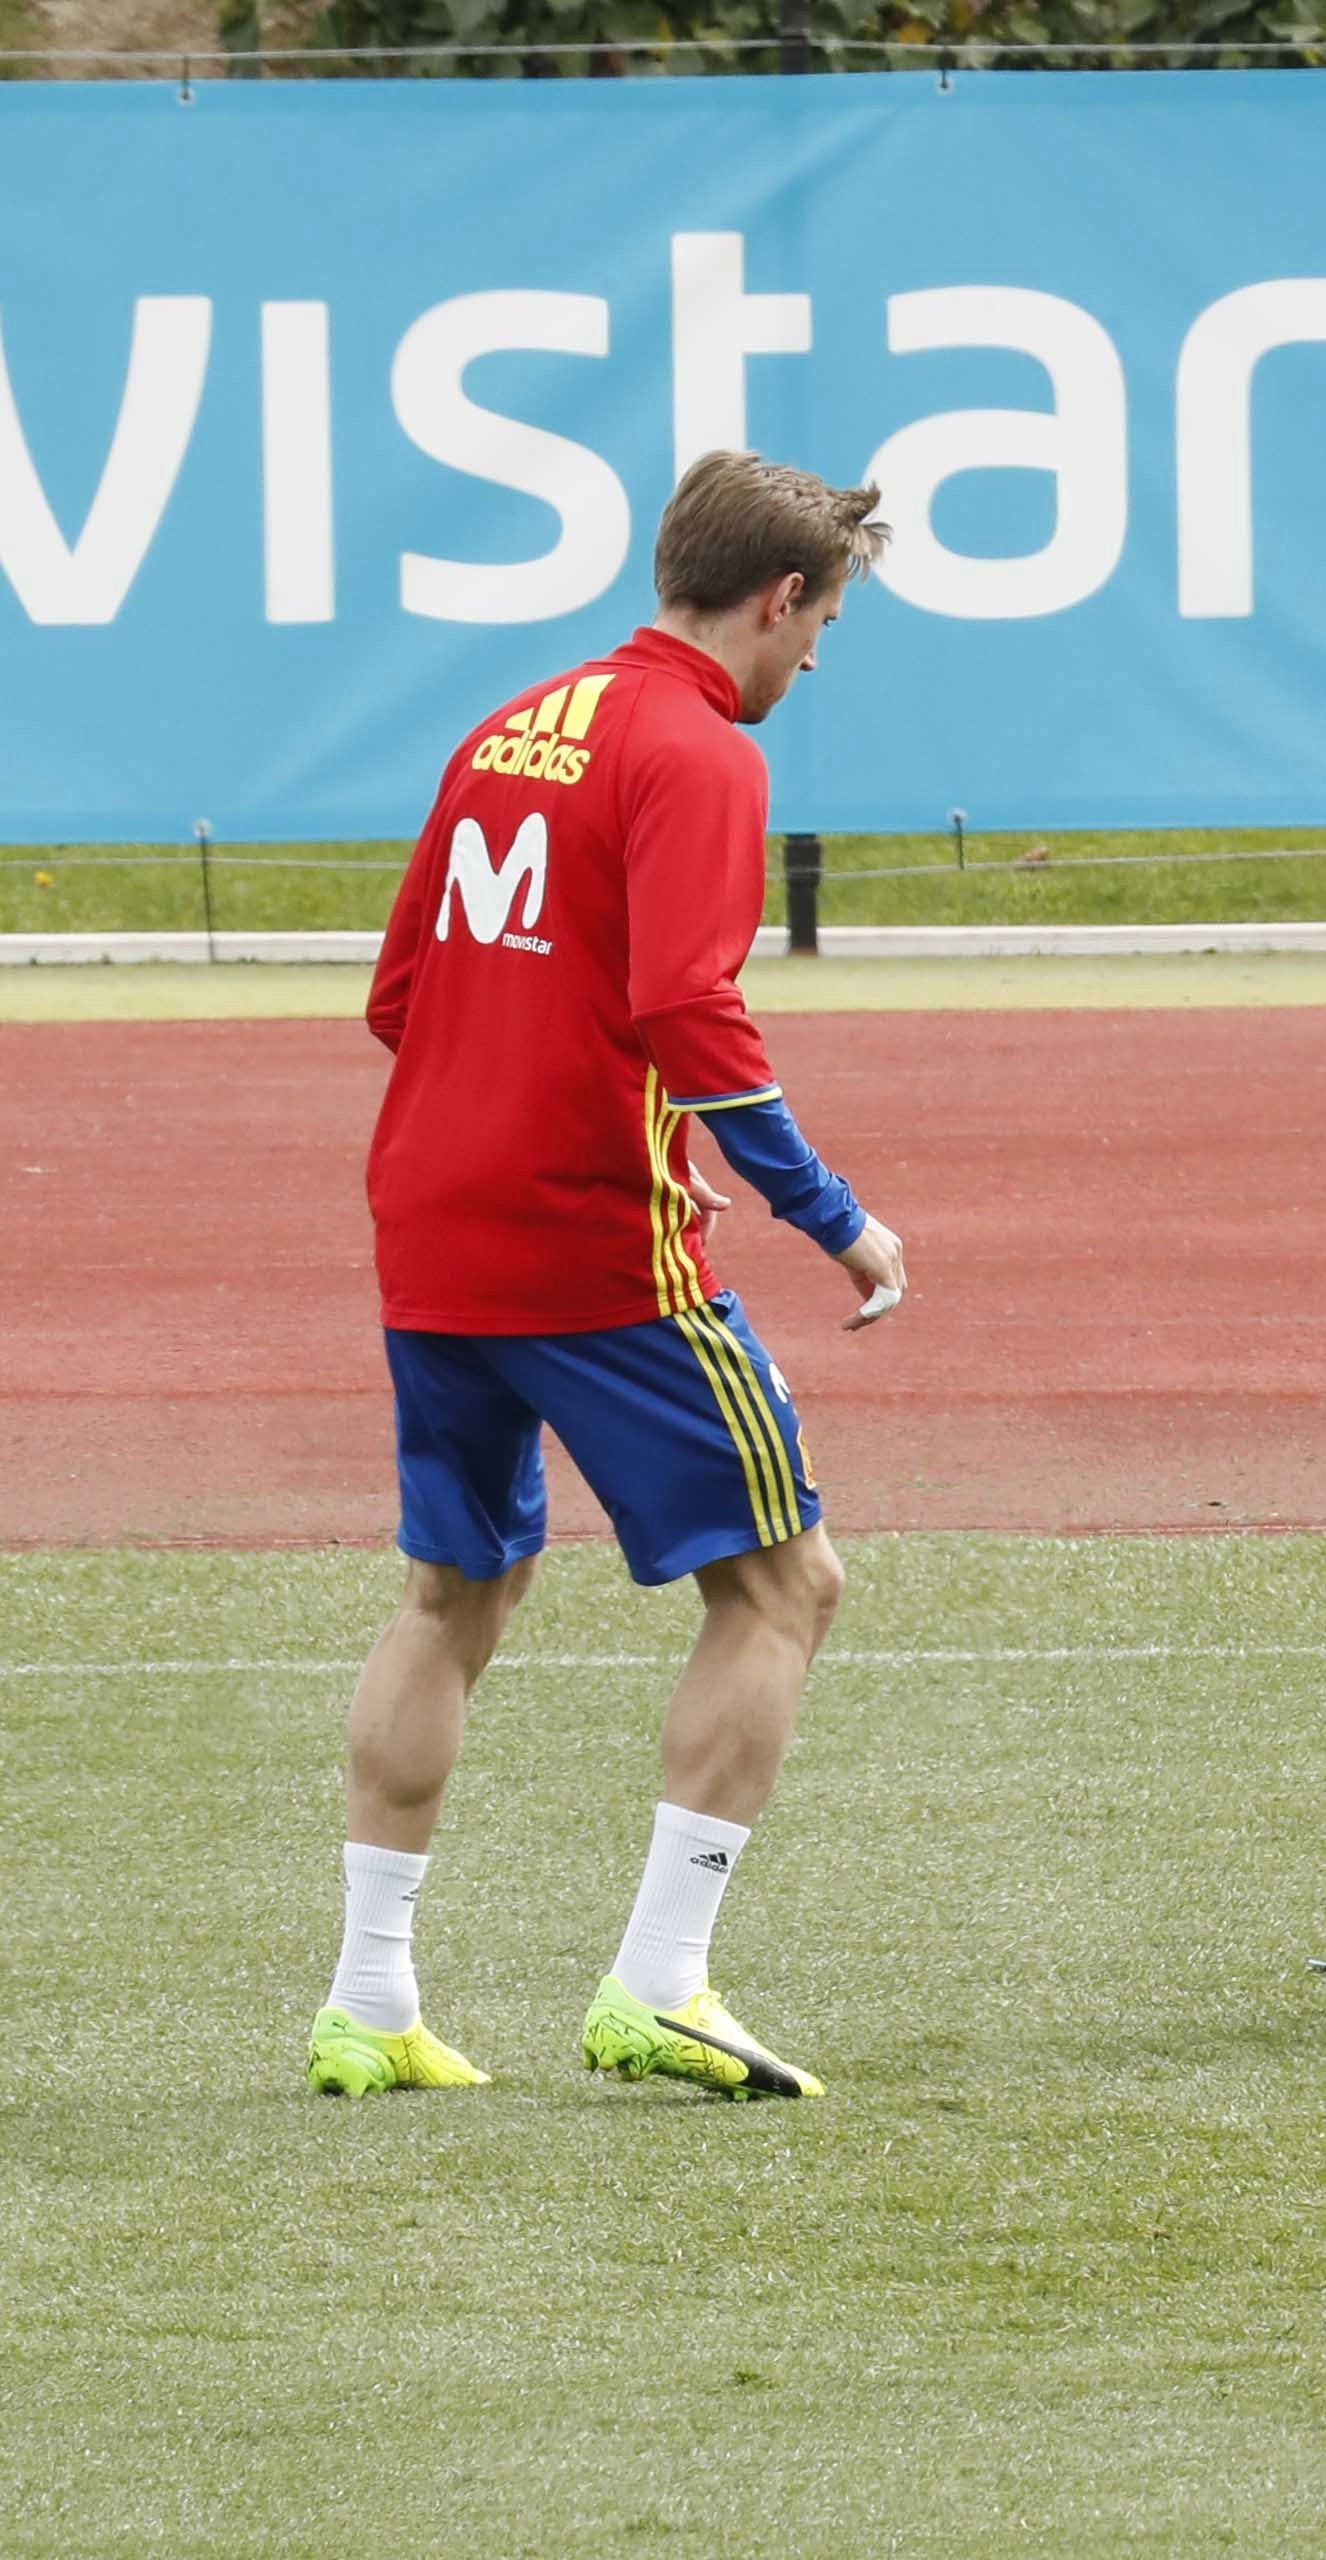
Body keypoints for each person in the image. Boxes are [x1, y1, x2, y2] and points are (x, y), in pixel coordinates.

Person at [308, 452, 909, 2102]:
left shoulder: (512, 726)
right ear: (778, 597)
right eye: (824, 621)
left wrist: (546, 1088)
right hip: (593, 1246)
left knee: (453, 1594)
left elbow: (401, 993)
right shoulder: (697, 748)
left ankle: (369, 2005)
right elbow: (689, 1010)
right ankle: (661, 1982)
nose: (815, 660)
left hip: (429, 1220)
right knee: (787, 1587)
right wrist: (828, 1212)